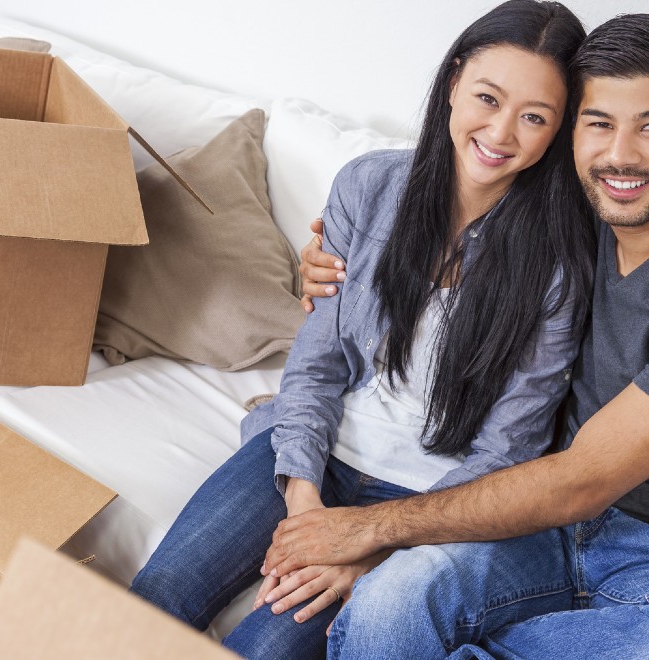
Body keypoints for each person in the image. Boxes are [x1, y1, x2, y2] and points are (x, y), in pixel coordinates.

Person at [280, 12, 649, 659]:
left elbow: (582, 481)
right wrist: (326, 262)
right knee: (389, 605)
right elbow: (414, 230)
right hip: (528, 526)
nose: (621, 154)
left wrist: (370, 531)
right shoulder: (570, 216)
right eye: (599, 123)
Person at [128, 1, 598, 658]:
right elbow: (316, 364)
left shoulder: (558, 264)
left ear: (559, 130)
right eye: (488, 98)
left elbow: (508, 450)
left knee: (260, 649)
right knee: (155, 594)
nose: (501, 131)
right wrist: (306, 508)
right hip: (310, 457)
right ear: (455, 80)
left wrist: (372, 553)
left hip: (428, 499)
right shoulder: (368, 188)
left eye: (535, 117)